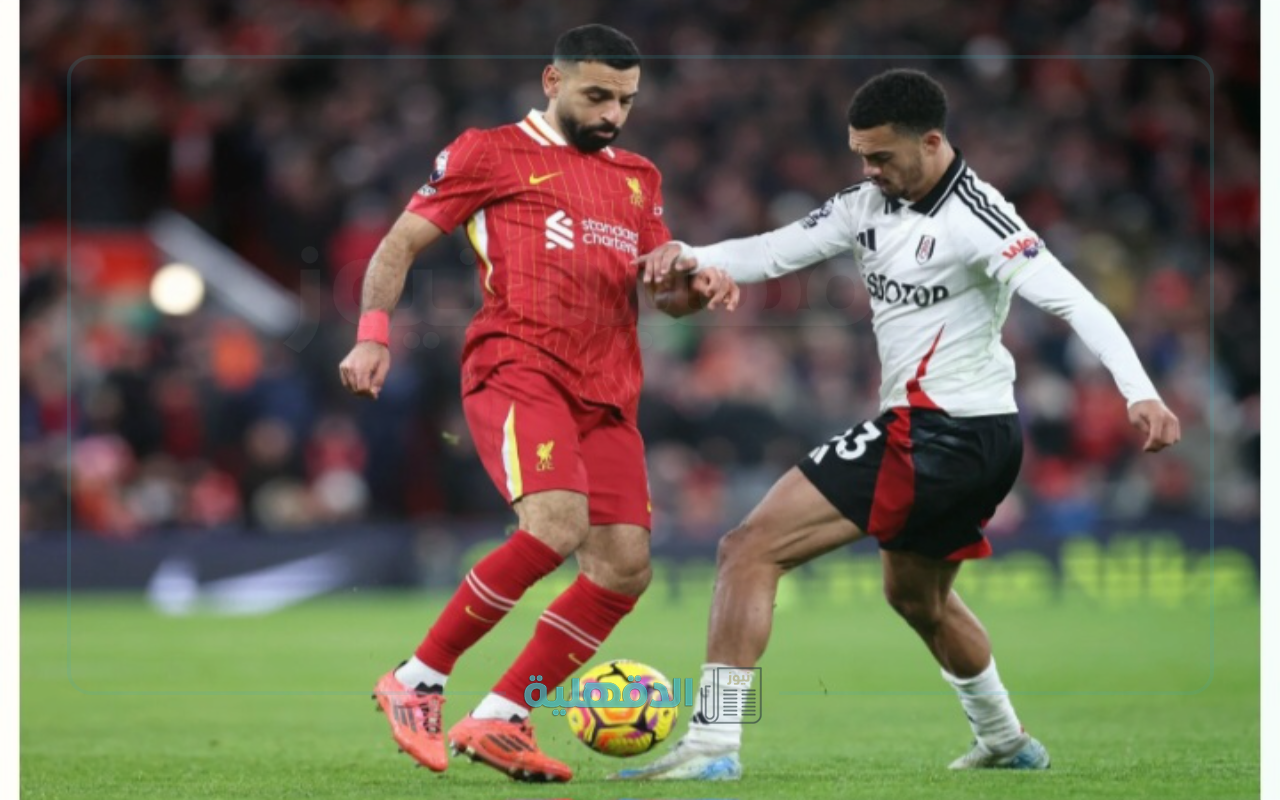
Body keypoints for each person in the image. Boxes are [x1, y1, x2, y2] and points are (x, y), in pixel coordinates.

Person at [615, 68, 1182, 781]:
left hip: (943, 430)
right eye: (861, 155)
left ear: (932, 142)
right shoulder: (866, 204)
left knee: (747, 549)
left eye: (881, 156)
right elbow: (771, 250)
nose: (869, 170)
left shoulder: (979, 218)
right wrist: (690, 254)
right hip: (973, 437)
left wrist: (1141, 393)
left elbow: (1076, 302)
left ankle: (712, 741)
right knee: (915, 597)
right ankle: (1005, 740)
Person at [338, 24, 738, 783]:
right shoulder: (489, 152)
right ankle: (417, 679)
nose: (612, 114)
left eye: (626, 100)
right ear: (552, 82)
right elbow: (398, 244)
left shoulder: (639, 178)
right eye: (598, 95)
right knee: (556, 524)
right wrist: (372, 336)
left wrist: (694, 285)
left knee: (624, 569)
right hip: (520, 366)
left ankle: (501, 716)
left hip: (609, 391)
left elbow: (665, 295)